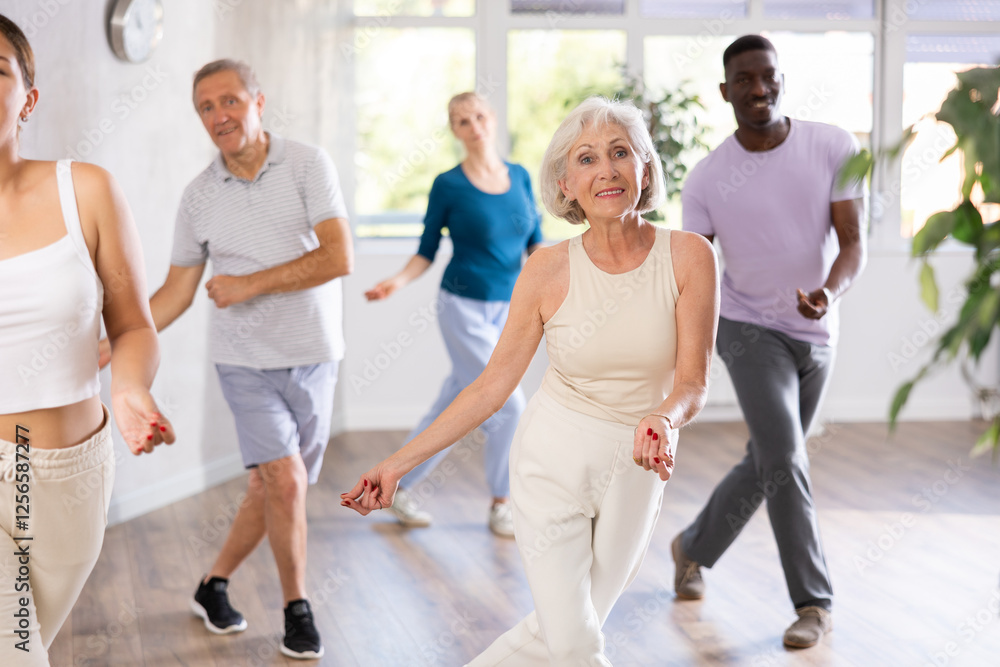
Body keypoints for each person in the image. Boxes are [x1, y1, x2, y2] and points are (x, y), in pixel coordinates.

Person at [343, 96, 719, 665]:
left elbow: (692, 382)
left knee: (557, 635)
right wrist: (396, 466)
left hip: (638, 469)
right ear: (566, 184)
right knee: (575, 643)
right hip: (552, 463)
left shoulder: (690, 256)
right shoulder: (546, 268)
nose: (607, 170)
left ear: (645, 168)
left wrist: (663, 419)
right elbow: (491, 386)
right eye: (586, 159)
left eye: (621, 153)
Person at [131, 59, 353, 659]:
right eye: (205, 107)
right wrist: (116, 337)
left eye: (228, 100)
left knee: (276, 488)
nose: (218, 115)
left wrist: (250, 284)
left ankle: (213, 584)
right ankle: (297, 609)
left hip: (314, 356)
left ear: (258, 101)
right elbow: (177, 291)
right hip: (244, 362)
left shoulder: (309, 164)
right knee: (284, 482)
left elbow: (338, 258)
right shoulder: (199, 197)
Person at [672, 34, 866, 649]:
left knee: (767, 462)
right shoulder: (706, 179)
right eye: (746, 81)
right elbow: (697, 276)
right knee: (785, 459)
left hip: (817, 331)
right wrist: (691, 357)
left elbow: (852, 243)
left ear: (781, 78)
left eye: (770, 76)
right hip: (748, 329)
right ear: (725, 91)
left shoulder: (833, 145)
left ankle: (693, 547)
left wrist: (829, 294)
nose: (760, 89)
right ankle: (813, 603)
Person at [0, 15, 174, 666]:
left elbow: (131, 324)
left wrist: (129, 386)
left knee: (25, 640)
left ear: (27, 99)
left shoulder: (87, 189)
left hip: (69, 472)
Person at [364, 91, 543, 537]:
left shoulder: (520, 176)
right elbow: (426, 249)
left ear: (493, 119)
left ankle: (396, 485)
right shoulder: (448, 184)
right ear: (455, 131)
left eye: (479, 116)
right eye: (462, 121)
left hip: (509, 308)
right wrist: (396, 282)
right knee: (505, 399)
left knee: (455, 400)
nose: (474, 125)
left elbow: (536, 242)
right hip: (461, 307)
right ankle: (503, 501)